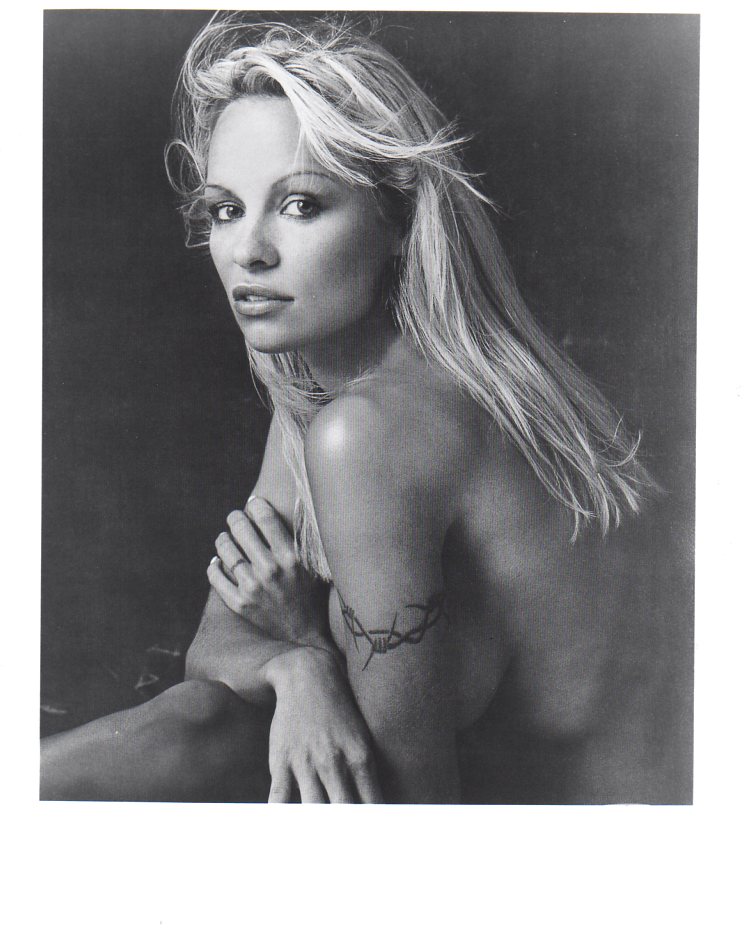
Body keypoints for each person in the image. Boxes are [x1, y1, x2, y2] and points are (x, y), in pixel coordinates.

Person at [40, 14, 690, 804]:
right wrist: (299, 666)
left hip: (603, 862)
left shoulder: (370, 432)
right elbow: (212, 654)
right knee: (200, 718)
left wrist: (303, 636)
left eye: (300, 205)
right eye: (225, 210)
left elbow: (404, 818)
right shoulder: (324, 395)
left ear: (398, 221)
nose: (248, 252)